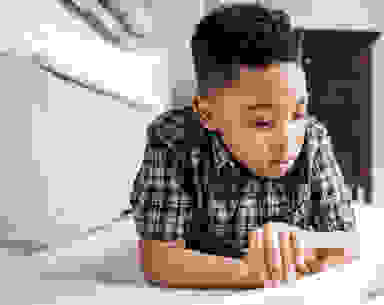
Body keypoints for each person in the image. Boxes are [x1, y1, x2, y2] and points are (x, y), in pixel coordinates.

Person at [129, 3, 358, 289]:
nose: (287, 142)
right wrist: (258, 272)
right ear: (208, 114)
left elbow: (348, 242)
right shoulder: (174, 142)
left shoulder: (313, 137)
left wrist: (304, 242)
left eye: (298, 113)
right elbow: (158, 262)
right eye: (262, 122)